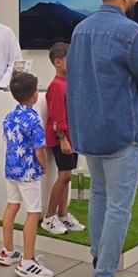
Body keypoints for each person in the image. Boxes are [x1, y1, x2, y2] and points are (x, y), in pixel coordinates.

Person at [67, 0, 138, 277]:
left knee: (99, 195)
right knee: (119, 206)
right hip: (122, 130)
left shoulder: (80, 30)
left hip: (89, 129)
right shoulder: (131, 32)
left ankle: (100, 260)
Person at [0, 72, 54, 277]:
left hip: (11, 170)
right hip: (28, 173)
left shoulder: (9, 117)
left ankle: (8, 251)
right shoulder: (34, 119)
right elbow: (39, 150)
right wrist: (44, 166)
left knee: (12, 205)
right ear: (35, 94)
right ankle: (28, 262)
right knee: (33, 212)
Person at [41, 42, 85, 235]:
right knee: (65, 175)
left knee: (67, 176)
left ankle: (63, 214)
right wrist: (62, 138)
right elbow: (57, 115)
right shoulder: (57, 86)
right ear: (58, 62)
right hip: (62, 139)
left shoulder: (68, 84)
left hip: (71, 137)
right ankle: (49, 217)